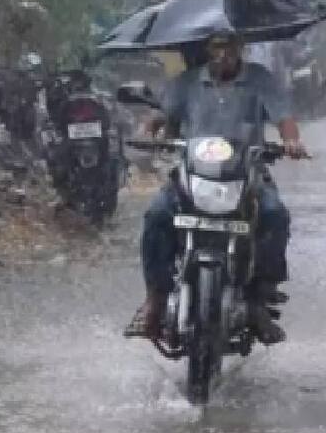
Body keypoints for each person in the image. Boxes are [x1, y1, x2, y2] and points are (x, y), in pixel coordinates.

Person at [124, 33, 308, 346]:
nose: (224, 54)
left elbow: (284, 118)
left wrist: (291, 141)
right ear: (207, 50)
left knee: (275, 215)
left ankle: (259, 297)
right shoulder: (186, 83)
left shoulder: (260, 79)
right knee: (157, 216)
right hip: (193, 173)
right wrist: (147, 131)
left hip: (247, 172)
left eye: (230, 47)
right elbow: (160, 116)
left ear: (241, 48)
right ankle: (154, 299)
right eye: (217, 47)